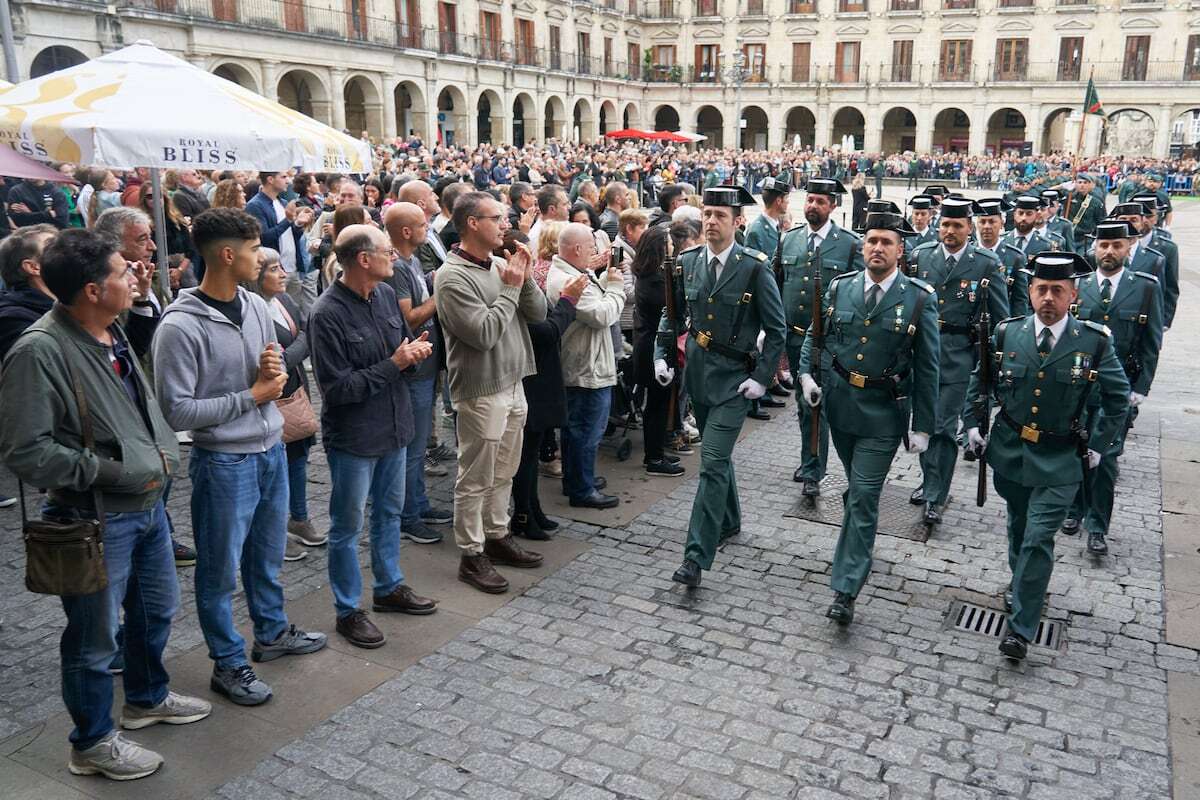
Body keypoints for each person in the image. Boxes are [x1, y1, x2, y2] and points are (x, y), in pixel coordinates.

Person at [0, 229, 209, 781]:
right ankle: (91, 742)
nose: (137, 274)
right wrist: (109, 471)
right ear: (93, 289)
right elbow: (26, 451)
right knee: (94, 641)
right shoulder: (39, 350)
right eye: (124, 271)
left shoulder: (111, 330)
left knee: (155, 610)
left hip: (145, 509)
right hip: (91, 518)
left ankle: (146, 698)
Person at [153, 208, 327, 706]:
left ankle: (270, 633)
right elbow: (178, 410)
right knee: (219, 570)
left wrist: (270, 365)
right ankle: (228, 663)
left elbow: (268, 359)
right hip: (225, 462)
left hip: (270, 449)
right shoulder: (180, 327)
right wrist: (252, 395)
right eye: (254, 250)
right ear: (228, 255)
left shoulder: (253, 303)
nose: (262, 257)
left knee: (267, 556)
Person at [962, 252, 1129, 661]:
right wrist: (973, 425)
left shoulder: (1093, 340)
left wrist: (1098, 447)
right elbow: (980, 382)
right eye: (1041, 289)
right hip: (1012, 451)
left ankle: (1021, 628)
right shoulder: (1007, 334)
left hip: (1061, 459)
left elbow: (1117, 397)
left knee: (1039, 538)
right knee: (1019, 529)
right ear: (1030, 293)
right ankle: (1024, 587)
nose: (1048, 298)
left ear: (1073, 294)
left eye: (1058, 290)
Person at [796, 210, 939, 624]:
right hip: (840, 407)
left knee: (863, 496)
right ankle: (858, 534)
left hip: (882, 415)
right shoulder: (841, 288)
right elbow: (816, 335)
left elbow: (929, 367)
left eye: (887, 242)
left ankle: (845, 586)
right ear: (863, 246)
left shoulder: (918, 299)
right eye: (872, 240)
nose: (878, 248)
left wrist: (923, 426)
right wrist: (806, 375)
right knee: (855, 490)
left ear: (901, 250)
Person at [308, 223, 438, 648]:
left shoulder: (383, 295)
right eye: (386, 250)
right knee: (347, 526)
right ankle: (348, 609)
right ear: (364, 259)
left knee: (389, 514)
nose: (395, 256)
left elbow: (397, 352)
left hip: (395, 427)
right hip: (356, 437)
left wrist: (413, 354)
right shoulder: (326, 313)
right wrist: (396, 364)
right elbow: (338, 389)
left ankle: (388, 587)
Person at [654, 185, 786, 588]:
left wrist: (761, 379)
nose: (711, 221)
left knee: (710, 464)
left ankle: (695, 557)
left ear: (737, 221)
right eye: (707, 213)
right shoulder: (688, 261)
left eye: (720, 216)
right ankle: (729, 520)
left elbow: (777, 330)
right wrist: (661, 352)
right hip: (698, 374)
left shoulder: (754, 266)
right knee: (717, 456)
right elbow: (673, 312)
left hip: (734, 380)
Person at [435, 190, 548, 594]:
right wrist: (511, 289)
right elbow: (482, 334)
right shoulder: (451, 277)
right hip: (481, 388)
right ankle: (471, 553)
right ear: (472, 224)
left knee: (505, 470)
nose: (505, 225)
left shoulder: (499, 263)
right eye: (497, 219)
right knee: (475, 476)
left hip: (514, 379)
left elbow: (539, 314)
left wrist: (526, 276)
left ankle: (497, 535)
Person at [907, 197, 1009, 529]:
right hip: (923, 353)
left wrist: (992, 368)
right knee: (924, 421)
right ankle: (927, 479)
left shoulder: (986, 263)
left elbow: (1000, 320)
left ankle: (937, 495)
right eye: (945, 225)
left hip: (960, 357)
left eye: (957, 225)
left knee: (943, 428)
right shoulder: (921, 256)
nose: (950, 231)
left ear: (969, 228)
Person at [1065, 222, 1163, 554]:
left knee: (1104, 459)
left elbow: (1151, 345)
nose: (1109, 251)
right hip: (1079, 387)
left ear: (1128, 247)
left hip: (1117, 391)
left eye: (1117, 245)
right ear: (1094, 247)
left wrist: (1141, 388)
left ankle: (1097, 525)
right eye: (1103, 245)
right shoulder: (1079, 285)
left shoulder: (1146, 289)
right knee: (1076, 450)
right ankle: (1075, 509)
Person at [774, 177, 864, 493]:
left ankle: (845, 471)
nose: (813, 206)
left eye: (820, 201)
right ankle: (812, 467)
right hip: (797, 338)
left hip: (833, 342)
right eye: (810, 200)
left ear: (833, 205)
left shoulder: (850, 244)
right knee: (806, 404)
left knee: (830, 406)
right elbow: (776, 285)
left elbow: (859, 292)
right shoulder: (789, 240)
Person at [244, 247, 325, 561]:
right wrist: (293, 355)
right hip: (273, 397)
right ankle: (276, 531)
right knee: (277, 464)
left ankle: (300, 517)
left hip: (296, 392)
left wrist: (287, 357)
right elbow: (276, 354)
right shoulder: (253, 310)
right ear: (257, 275)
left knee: (300, 454)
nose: (283, 274)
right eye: (274, 269)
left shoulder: (285, 300)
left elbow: (307, 333)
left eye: (281, 267)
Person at [383, 202, 454, 544]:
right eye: (424, 225)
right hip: (414, 370)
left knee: (418, 444)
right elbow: (407, 318)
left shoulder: (411, 262)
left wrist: (430, 282)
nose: (429, 230)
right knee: (412, 449)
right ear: (407, 232)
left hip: (426, 366)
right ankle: (408, 515)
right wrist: (440, 294)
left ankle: (419, 504)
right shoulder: (396, 266)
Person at [545, 223, 626, 509]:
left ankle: (578, 479)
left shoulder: (573, 272)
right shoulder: (566, 280)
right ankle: (581, 489)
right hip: (586, 369)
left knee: (577, 431)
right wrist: (615, 286)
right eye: (591, 246)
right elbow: (603, 314)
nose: (594, 251)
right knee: (586, 432)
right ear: (577, 249)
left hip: (585, 363)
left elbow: (595, 303)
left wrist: (604, 283)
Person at [512, 251, 588, 538]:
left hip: (541, 378)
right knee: (524, 456)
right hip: (530, 380)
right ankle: (523, 514)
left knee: (530, 453)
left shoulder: (526, 287)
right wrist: (568, 301)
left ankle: (532, 508)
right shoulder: (513, 291)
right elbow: (546, 331)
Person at [630, 224, 686, 477]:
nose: (673, 245)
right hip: (652, 349)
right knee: (656, 404)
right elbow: (670, 310)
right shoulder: (653, 279)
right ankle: (653, 457)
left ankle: (657, 452)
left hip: (657, 345)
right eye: (669, 243)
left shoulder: (655, 274)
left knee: (660, 403)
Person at [245, 171, 317, 315]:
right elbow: (264, 238)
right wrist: (288, 221)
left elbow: (291, 236)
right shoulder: (255, 205)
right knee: (272, 313)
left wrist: (298, 224)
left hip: (292, 267)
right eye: (283, 177)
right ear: (270, 179)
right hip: (272, 269)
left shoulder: (283, 203)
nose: (288, 181)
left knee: (292, 313)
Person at [972, 198, 1029, 317]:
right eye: (982, 222)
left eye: (992, 222)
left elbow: (1020, 299)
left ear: (1002, 223)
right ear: (976, 224)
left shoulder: (1015, 257)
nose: (987, 226)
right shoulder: (969, 253)